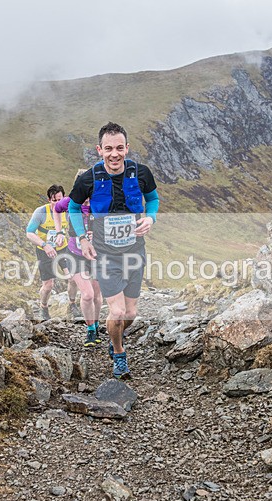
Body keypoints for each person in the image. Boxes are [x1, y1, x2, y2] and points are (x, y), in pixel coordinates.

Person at [68, 122, 160, 379]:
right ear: (99, 150)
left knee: (130, 314)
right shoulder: (88, 178)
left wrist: (151, 218)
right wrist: (83, 239)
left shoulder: (141, 173)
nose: (114, 154)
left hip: (134, 252)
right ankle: (119, 355)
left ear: (127, 148)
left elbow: (152, 199)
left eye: (119, 148)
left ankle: (113, 336)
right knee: (116, 312)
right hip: (105, 255)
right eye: (108, 148)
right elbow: (74, 208)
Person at [53, 172, 104, 347]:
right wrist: (59, 231)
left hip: (98, 255)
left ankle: (96, 325)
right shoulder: (68, 202)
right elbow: (56, 209)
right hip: (75, 253)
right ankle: (90, 330)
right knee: (88, 294)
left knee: (97, 296)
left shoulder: (100, 202)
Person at [25, 184, 78, 321]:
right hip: (45, 251)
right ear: (49, 200)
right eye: (54, 200)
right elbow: (29, 233)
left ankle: (72, 304)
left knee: (73, 278)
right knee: (49, 285)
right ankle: (43, 307)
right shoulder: (41, 212)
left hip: (64, 249)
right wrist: (45, 245)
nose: (57, 203)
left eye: (60, 199)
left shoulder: (68, 211)